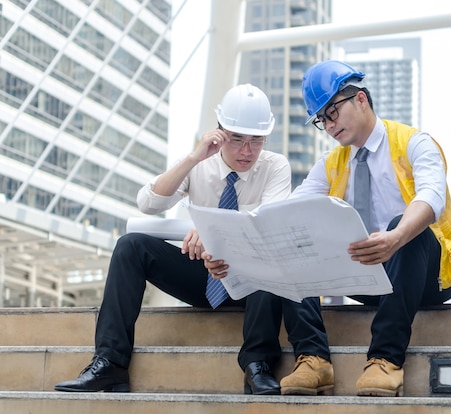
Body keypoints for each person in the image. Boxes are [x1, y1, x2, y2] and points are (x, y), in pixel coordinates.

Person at [54, 84, 332, 396]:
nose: (247, 150)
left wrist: (214, 229)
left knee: (270, 255)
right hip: (200, 276)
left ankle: (258, 364)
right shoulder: (200, 162)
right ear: (219, 132)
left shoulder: (275, 166)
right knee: (130, 247)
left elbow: (268, 221)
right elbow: (148, 202)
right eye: (237, 138)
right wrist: (194, 157)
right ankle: (110, 363)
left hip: (251, 281)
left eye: (256, 140)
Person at [280, 60, 451, 397]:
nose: (329, 124)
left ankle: (385, 361)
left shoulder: (414, 143)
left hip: (427, 275)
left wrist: (396, 237)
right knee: (296, 234)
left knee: (406, 225)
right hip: (368, 276)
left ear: (361, 99)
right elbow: (288, 210)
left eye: (332, 112)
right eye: (322, 120)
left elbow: (431, 197)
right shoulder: (331, 163)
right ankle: (313, 360)